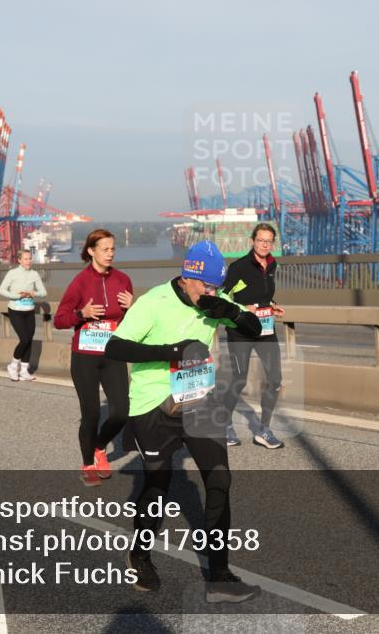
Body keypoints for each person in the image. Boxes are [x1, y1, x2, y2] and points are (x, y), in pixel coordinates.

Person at [105, 241, 263, 603]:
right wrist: (172, 352)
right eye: (207, 286)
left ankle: (219, 578)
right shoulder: (154, 302)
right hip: (153, 405)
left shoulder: (214, 301)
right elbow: (115, 347)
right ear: (188, 277)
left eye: (217, 287)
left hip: (198, 400)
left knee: (219, 479)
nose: (211, 293)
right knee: (157, 485)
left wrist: (229, 310)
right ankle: (139, 555)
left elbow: (254, 328)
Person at [53, 229, 133, 487]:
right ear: (91, 251)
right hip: (85, 356)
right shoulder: (80, 282)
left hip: (113, 353)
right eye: (105, 249)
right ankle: (88, 463)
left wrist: (132, 308)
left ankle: (99, 445)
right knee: (90, 414)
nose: (110, 254)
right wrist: (82, 314)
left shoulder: (123, 280)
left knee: (122, 412)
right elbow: (59, 320)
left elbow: (132, 322)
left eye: (113, 249)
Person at [219, 223, 285, 449]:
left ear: (273, 243)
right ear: (252, 241)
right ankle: (225, 424)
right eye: (260, 240)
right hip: (240, 331)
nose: (264, 245)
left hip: (265, 329)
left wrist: (272, 305)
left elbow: (262, 294)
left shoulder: (272, 264)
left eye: (269, 241)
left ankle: (264, 430)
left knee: (275, 380)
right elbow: (221, 296)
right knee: (239, 379)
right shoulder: (239, 267)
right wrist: (244, 308)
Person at [0, 249, 46, 381]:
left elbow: (43, 292)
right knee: (24, 339)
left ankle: (24, 371)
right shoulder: (12, 273)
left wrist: (33, 293)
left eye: (30, 258)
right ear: (19, 260)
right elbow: (2, 290)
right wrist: (17, 296)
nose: (28, 261)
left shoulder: (34, 274)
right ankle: (13, 366)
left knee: (29, 340)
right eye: (25, 259)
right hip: (15, 310)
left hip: (29, 310)